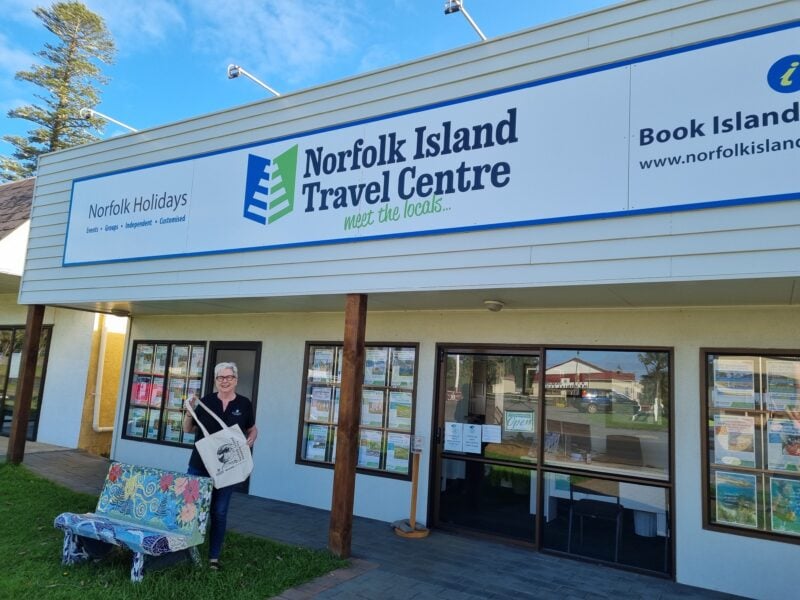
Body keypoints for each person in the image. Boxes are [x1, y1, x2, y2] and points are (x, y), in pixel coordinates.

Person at [183, 361, 257, 570]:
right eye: (221, 377)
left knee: (219, 511)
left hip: (227, 468)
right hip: (199, 465)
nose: (225, 381)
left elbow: (252, 428)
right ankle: (185, 550)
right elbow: (188, 429)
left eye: (229, 377)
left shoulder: (244, 404)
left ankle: (213, 557)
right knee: (191, 509)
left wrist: (252, 437)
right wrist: (188, 412)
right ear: (215, 380)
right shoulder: (206, 401)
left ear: (236, 380)